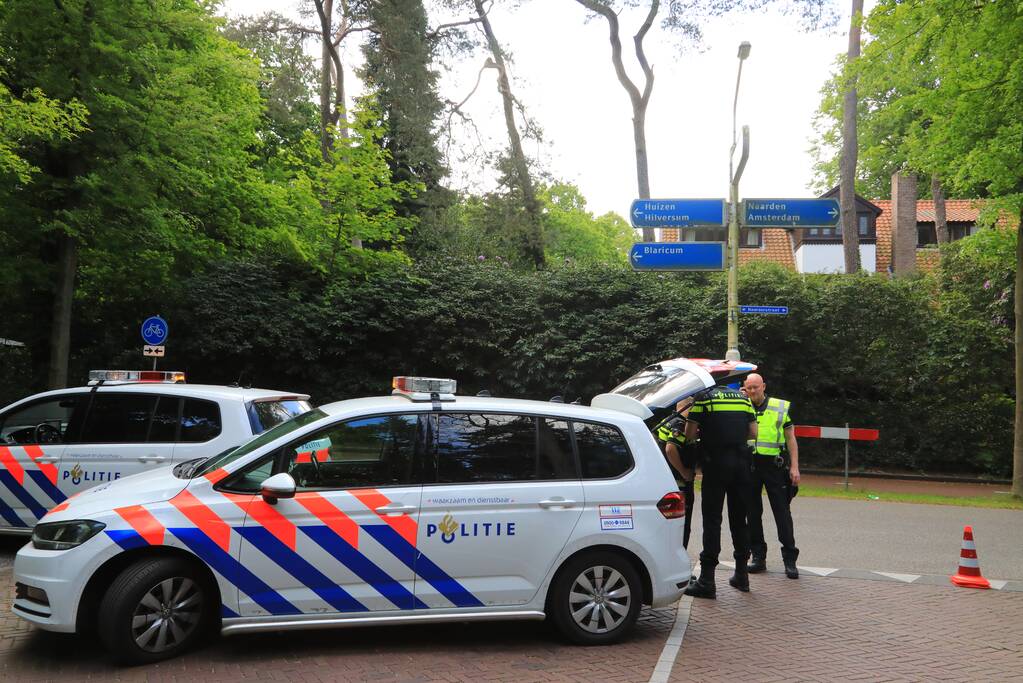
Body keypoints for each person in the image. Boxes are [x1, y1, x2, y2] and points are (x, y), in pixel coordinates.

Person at [682, 384, 757, 599]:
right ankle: (742, 576)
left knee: (712, 520)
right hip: (742, 465)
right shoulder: (743, 399)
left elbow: (689, 434)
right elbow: (753, 432)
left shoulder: (704, 398)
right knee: (739, 519)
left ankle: (707, 580)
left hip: (715, 464)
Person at [742, 373, 800, 579]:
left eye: (756, 387)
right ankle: (758, 557)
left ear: (764, 386)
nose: (752, 391)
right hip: (750, 466)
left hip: (774, 466)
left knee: (782, 513)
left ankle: (790, 560)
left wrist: (795, 467)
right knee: (752, 513)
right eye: (749, 388)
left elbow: (791, 438)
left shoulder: (779, 407)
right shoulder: (742, 406)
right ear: (744, 388)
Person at [656, 398, 695, 548]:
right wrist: (684, 471)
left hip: (666, 481)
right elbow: (670, 449)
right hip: (678, 483)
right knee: (682, 526)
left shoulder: (668, 419)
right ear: (689, 407)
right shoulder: (681, 423)